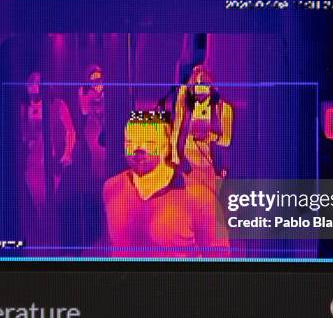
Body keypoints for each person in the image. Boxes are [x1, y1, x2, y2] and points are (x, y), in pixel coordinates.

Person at [102, 115, 229, 258]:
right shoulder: (112, 187)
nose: (138, 148)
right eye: (130, 142)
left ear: (165, 145)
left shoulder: (199, 197)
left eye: (149, 142)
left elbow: (219, 257)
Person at [20, 71, 76, 242]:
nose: (34, 86)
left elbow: (70, 131)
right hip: (31, 161)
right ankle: (43, 239)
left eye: (38, 82)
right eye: (31, 82)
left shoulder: (57, 105)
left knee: (51, 200)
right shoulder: (24, 108)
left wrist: (67, 154)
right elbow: (21, 133)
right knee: (38, 203)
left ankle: (55, 238)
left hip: (52, 158)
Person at [171, 65, 234, 192]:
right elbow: (177, 130)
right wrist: (175, 159)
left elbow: (226, 141)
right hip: (189, 165)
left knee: (210, 203)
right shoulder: (186, 107)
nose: (199, 89)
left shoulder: (224, 109)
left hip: (210, 165)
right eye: (196, 85)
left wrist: (211, 136)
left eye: (203, 84)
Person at [78, 65, 106, 184]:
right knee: (97, 155)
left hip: (106, 124)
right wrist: (87, 96)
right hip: (92, 126)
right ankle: (98, 182)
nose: (96, 82)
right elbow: (84, 110)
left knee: (105, 154)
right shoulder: (85, 92)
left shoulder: (107, 91)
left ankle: (105, 180)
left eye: (99, 79)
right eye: (93, 80)